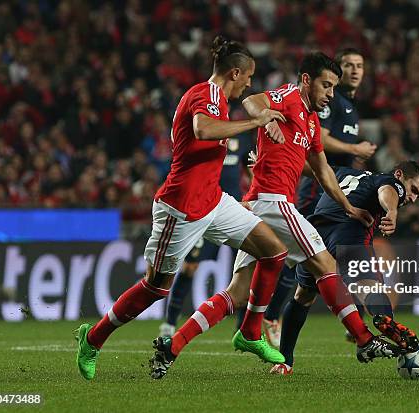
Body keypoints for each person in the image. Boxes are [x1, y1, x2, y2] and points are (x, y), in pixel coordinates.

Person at [149, 52, 400, 380]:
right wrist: (266, 117)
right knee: (324, 264)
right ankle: (364, 339)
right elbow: (252, 100)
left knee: (237, 292)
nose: (329, 93)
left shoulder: (311, 121)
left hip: (259, 208)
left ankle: (173, 345)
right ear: (307, 80)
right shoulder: (290, 97)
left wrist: (349, 207)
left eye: (333, 87)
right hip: (272, 203)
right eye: (325, 85)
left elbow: (323, 170)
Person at [75, 36, 289, 380]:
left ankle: (250, 333)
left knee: (274, 252)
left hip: (214, 201)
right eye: (248, 77)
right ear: (235, 73)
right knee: (155, 288)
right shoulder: (204, 95)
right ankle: (93, 339)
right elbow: (202, 129)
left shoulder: (219, 100)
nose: (250, 84)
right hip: (182, 209)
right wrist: (256, 121)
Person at [260, 48, 376, 347]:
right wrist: (354, 151)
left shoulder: (346, 103)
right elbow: (319, 143)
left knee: (319, 260)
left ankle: (262, 323)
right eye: (348, 64)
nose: (354, 70)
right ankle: (272, 317)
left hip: (337, 191)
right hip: (317, 195)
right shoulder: (324, 103)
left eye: (359, 65)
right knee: (308, 260)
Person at [271, 161, 419, 375]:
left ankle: (284, 362)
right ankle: (382, 325)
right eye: (413, 190)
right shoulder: (388, 181)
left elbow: (308, 167)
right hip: (349, 232)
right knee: (369, 288)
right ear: (400, 174)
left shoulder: (342, 170)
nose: (412, 198)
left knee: (303, 296)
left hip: (314, 234)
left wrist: (271, 165)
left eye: (418, 197)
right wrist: (391, 211)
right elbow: (389, 190)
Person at [159, 131, 253, 337]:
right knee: (190, 267)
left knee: (248, 263)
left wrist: (253, 193)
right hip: (204, 208)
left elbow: (250, 167)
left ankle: (243, 327)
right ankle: (170, 322)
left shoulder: (241, 138)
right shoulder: (203, 134)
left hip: (232, 210)